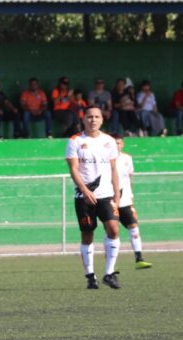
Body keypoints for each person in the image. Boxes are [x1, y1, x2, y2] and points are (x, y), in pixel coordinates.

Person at [65, 105, 122, 290]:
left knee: (113, 229)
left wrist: (117, 194)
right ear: (83, 119)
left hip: (106, 195)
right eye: (89, 117)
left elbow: (114, 169)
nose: (93, 120)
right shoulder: (75, 141)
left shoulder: (109, 141)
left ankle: (109, 273)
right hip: (84, 196)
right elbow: (73, 169)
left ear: (102, 119)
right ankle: (90, 275)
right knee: (87, 234)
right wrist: (84, 190)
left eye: (97, 117)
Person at [113, 134, 153, 270]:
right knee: (112, 231)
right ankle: (111, 266)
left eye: (119, 143)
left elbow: (129, 180)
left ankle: (139, 258)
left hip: (125, 202)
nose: (117, 145)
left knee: (134, 226)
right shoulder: (105, 160)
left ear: (122, 144)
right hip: (110, 201)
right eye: (114, 143)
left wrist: (131, 201)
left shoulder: (127, 159)